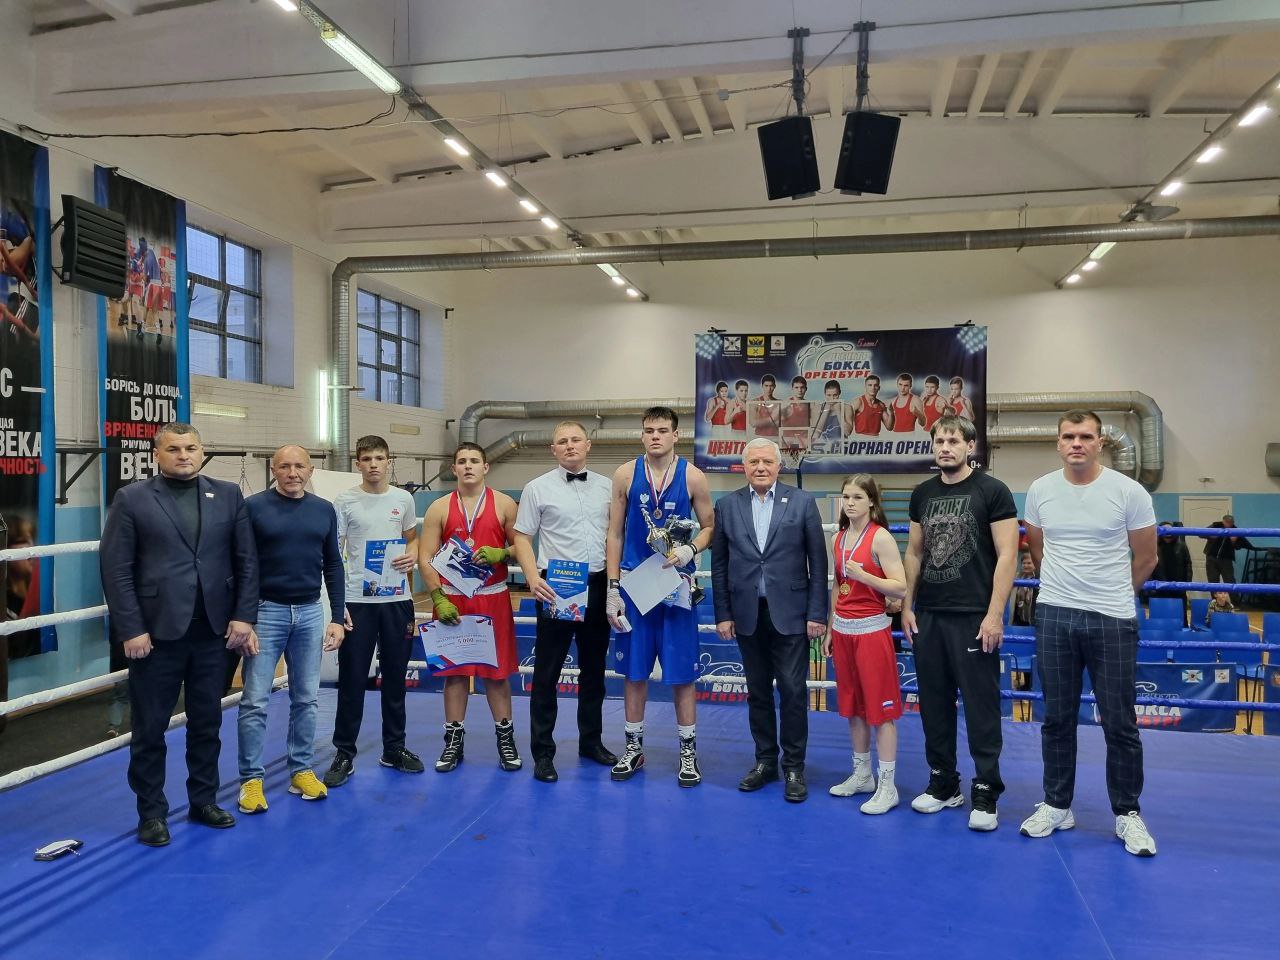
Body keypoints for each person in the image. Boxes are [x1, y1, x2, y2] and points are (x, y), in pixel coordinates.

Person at [98, 422, 257, 846]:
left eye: (190, 448)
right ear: (157, 454)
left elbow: (246, 561)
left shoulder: (228, 495)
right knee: (150, 729)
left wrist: (244, 616)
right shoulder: (132, 498)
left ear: (202, 451)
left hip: (214, 633)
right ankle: (151, 812)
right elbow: (116, 569)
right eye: (173, 449)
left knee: (207, 722)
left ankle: (203, 800)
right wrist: (131, 628)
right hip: (156, 635)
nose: (183, 455)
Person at [1020, 409, 1159, 857]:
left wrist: (1114, 594)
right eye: (1068, 436)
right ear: (1058, 443)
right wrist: (1064, 590)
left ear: (1100, 442)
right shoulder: (1040, 490)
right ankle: (1057, 804)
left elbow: (1147, 557)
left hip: (1112, 618)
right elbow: (1037, 548)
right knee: (1056, 718)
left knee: (1119, 721)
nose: (1076, 443)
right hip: (1055, 614)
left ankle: (1127, 813)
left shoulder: (1128, 491)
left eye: (1084, 436)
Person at [902, 415, 1018, 832]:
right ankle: (943, 782)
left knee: (981, 706)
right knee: (934, 704)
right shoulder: (923, 493)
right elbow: (915, 552)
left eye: (953, 440)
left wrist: (995, 613)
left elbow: (1008, 554)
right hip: (930, 614)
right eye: (939, 441)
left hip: (974, 615)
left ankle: (986, 789)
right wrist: (907, 606)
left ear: (970, 446)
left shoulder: (993, 490)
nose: (945, 447)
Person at [711, 438, 827, 803]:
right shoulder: (726, 506)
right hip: (747, 613)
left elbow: (818, 562)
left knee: (793, 691)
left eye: (767, 461)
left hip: (792, 614)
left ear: (779, 466)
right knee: (757, 692)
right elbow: (718, 565)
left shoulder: (803, 502)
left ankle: (794, 766)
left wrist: (817, 613)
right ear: (743, 467)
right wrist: (723, 613)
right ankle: (764, 762)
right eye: (753, 462)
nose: (760, 467)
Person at [606, 406, 714, 786]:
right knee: (634, 673)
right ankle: (633, 748)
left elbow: (710, 526)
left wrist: (691, 549)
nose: (655, 436)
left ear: (675, 435)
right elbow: (615, 533)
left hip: (675, 587)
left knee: (682, 674)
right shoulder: (625, 474)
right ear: (642, 435)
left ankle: (688, 753)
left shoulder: (693, 476)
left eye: (663, 430)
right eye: (649, 430)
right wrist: (612, 586)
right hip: (636, 587)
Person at [236, 445, 348, 814]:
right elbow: (242, 564)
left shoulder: (323, 509)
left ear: (310, 469)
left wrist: (336, 616)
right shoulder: (253, 507)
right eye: (285, 466)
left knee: (307, 698)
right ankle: (251, 780)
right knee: (255, 700)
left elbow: (333, 564)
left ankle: (301, 770)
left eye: (300, 466)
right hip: (265, 611)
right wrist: (246, 618)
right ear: (274, 469)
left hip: (310, 611)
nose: (292, 472)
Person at [510, 421, 618, 783]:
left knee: (594, 671)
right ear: (553, 449)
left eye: (575, 440)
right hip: (556, 585)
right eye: (562, 441)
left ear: (588, 445)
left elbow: (616, 535)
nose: (569, 446)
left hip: (598, 583)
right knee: (547, 673)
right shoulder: (536, 487)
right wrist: (531, 577)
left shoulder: (608, 486)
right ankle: (543, 752)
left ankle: (591, 742)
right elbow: (521, 537)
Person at [323, 435, 421, 788]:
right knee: (352, 679)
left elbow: (412, 537)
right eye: (367, 459)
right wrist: (338, 607)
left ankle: (394, 748)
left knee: (395, 676)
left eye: (380, 458)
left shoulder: (403, 499)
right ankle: (344, 752)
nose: (374, 464)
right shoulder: (345, 501)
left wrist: (412, 553)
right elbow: (334, 552)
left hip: (397, 599)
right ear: (358, 463)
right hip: (357, 603)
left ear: (388, 461)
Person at [419, 443, 523, 774]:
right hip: (452, 598)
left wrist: (502, 553)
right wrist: (437, 597)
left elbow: (522, 547)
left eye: (474, 461)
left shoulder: (504, 504)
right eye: (462, 461)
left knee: (496, 675)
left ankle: (506, 740)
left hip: (492, 596)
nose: (467, 466)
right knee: (455, 674)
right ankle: (453, 741)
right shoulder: (438, 507)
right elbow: (425, 556)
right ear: (454, 468)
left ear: (485, 467)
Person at [824, 474, 907, 814]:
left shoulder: (881, 537)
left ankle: (888, 786)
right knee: (853, 707)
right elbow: (837, 585)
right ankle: (862, 775)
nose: (850, 503)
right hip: (844, 631)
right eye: (846, 496)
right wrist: (831, 627)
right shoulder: (839, 538)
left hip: (872, 632)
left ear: (871, 501)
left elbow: (900, 587)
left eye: (857, 497)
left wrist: (865, 576)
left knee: (881, 712)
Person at [1148, 521, 1192, 623]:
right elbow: (1148, 566)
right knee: (1160, 616)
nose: (1167, 533)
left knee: (1180, 617)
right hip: (1159, 586)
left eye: (1169, 530)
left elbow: (1188, 564)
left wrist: (1187, 583)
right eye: (1165, 530)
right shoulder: (1154, 547)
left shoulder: (1181, 546)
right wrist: (1150, 584)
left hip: (1178, 586)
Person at [1204, 515, 1251, 586]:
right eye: (1227, 522)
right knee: (1213, 582)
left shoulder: (1236, 531)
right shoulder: (1215, 525)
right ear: (1223, 521)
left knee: (1230, 582)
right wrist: (1210, 536)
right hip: (1211, 557)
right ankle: (1215, 594)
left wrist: (1234, 542)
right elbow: (1201, 534)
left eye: (1231, 523)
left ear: (1233, 523)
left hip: (1226, 559)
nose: (1229, 524)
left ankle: (1233, 594)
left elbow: (1239, 547)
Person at [811, 380, 850, 450]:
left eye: (835, 395)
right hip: (823, 449)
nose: (832, 399)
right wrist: (825, 410)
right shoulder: (817, 408)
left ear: (839, 393)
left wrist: (838, 411)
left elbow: (847, 433)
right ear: (824, 393)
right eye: (829, 395)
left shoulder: (847, 408)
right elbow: (815, 435)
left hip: (842, 449)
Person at [780, 376, 812, 452]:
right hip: (788, 441)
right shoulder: (785, 404)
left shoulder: (809, 405)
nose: (799, 390)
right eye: (796, 387)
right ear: (792, 389)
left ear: (806, 389)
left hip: (804, 442)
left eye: (802, 387)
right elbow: (777, 423)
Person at [1010, 553, 1038, 627]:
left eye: (1029, 563)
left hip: (1033, 618)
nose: (1025, 565)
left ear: (1035, 563)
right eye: (1023, 563)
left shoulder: (1039, 577)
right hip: (1018, 617)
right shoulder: (1017, 576)